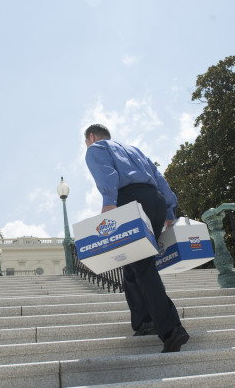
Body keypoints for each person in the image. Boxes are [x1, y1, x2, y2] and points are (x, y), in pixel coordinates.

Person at [84, 123, 189, 353]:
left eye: (86, 141)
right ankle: (144, 321)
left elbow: (107, 174)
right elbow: (159, 177)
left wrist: (109, 203)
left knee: (143, 266)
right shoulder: (134, 150)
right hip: (155, 200)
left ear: (91, 137)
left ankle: (172, 329)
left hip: (130, 200)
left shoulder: (95, 149)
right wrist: (170, 211)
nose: (87, 145)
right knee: (132, 266)